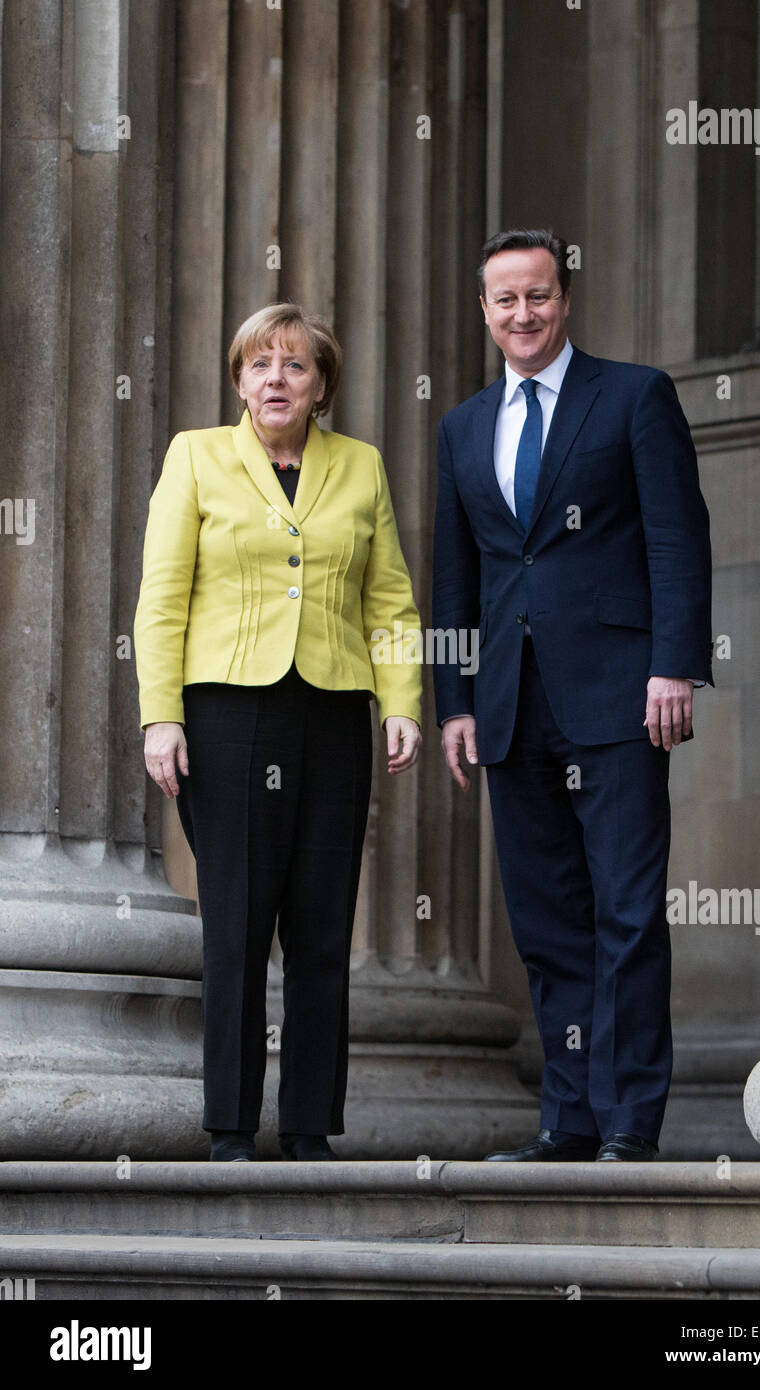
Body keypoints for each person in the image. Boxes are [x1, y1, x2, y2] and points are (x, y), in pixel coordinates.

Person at [433, 229, 712, 1162]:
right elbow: (456, 574)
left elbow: (676, 537)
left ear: (565, 299)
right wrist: (456, 701)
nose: (524, 313)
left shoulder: (633, 395)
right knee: (548, 924)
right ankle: (569, 1118)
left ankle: (630, 1122)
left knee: (626, 914)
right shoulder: (464, 426)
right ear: (484, 310)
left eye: (539, 296)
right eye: (505, 299)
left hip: (621, 699)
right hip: (512, 707)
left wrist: (674, 665)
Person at [134, 303, 422, 1161]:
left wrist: (402, 700)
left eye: (295, 366)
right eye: (260, 364)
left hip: (333, 711)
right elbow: (161, 599)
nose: (275, 379)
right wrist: (161, 716)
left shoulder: (361, 468)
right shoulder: (196, 457)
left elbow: (391, 601)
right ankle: (229, 1127)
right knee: (237, 920)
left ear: (321, 385)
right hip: (226, 712)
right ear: (238, 380)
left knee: (323, 922)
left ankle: (307, 1129)